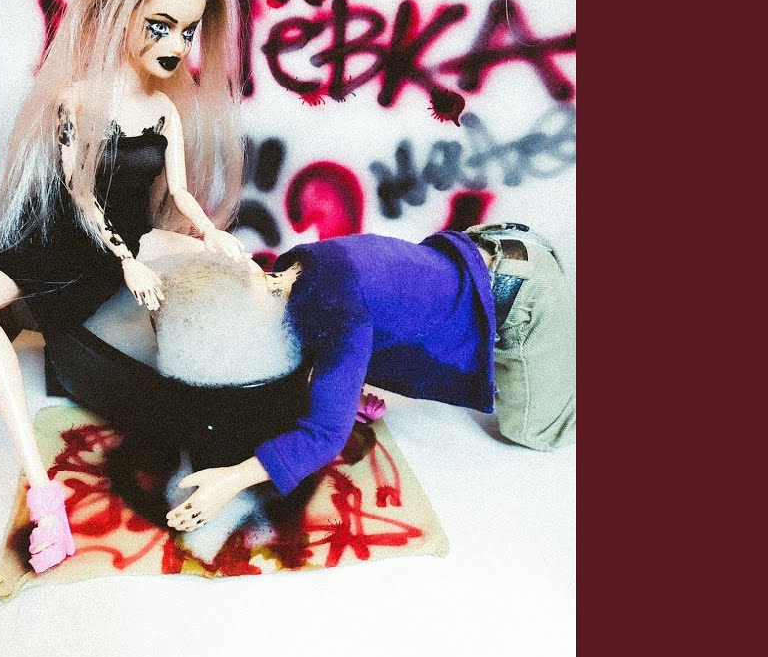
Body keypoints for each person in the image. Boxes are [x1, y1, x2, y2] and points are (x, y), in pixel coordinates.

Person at [0, 0, 247, 572]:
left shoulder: (165, 110)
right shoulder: (78, 102)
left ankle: (314, 382)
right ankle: (44, 493)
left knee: (234, 268)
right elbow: (82, 198)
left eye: (188, 32)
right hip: (66, 243)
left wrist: (210, 233)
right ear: (123, 19)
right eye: (160, 27)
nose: (176, 46)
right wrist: (128, 264)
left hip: (130, 246)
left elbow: (179, 192)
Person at [164, 223, 576, 532]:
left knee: (533, 433)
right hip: (488, 244)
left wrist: (232, 479)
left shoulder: (337, 312)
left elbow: (325, 435)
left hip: (523, 291)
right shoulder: (291, 270)